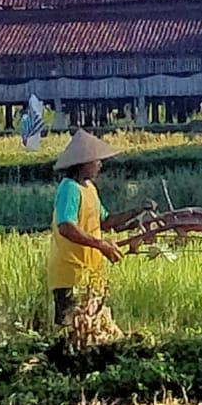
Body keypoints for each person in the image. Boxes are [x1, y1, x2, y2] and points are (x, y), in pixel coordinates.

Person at [47, 130, 153, 327]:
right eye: (96, 161)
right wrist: (100, 244)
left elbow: (104, 222)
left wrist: (137, 214)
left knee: (92, 328)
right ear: (83, 163)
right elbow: (66, 227)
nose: (100, 165)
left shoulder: (89, 188)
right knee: (71, 331)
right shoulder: (69, 188)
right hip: (71, 272)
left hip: (91, 272)